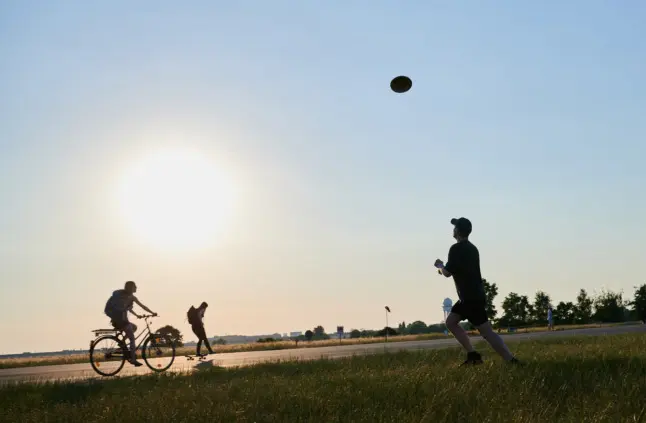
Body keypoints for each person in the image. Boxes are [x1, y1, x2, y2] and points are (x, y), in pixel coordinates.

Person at [434, 217, 520, 366]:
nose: (453, 230)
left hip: (469, 298)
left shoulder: (456, 249)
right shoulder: (473, 248)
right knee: (451, 322)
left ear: (457, 231)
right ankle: (473, 355)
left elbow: (447, 272)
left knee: (486, 332)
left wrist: (440, 266)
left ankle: (510, 360)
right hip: (472, 296)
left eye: (454, 227)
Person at [104, 281, 157, 367]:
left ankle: (122, 343)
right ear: (130, 288)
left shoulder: (129, 297)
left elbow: (130, 308)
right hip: (120, 320)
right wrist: (152, 313)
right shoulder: (125, 297)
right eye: (134, 286)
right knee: (132, 339)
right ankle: (133, 359)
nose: (136, 288)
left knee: (134, 327)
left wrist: (137, 315)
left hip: (118, 320)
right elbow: (139, 306)